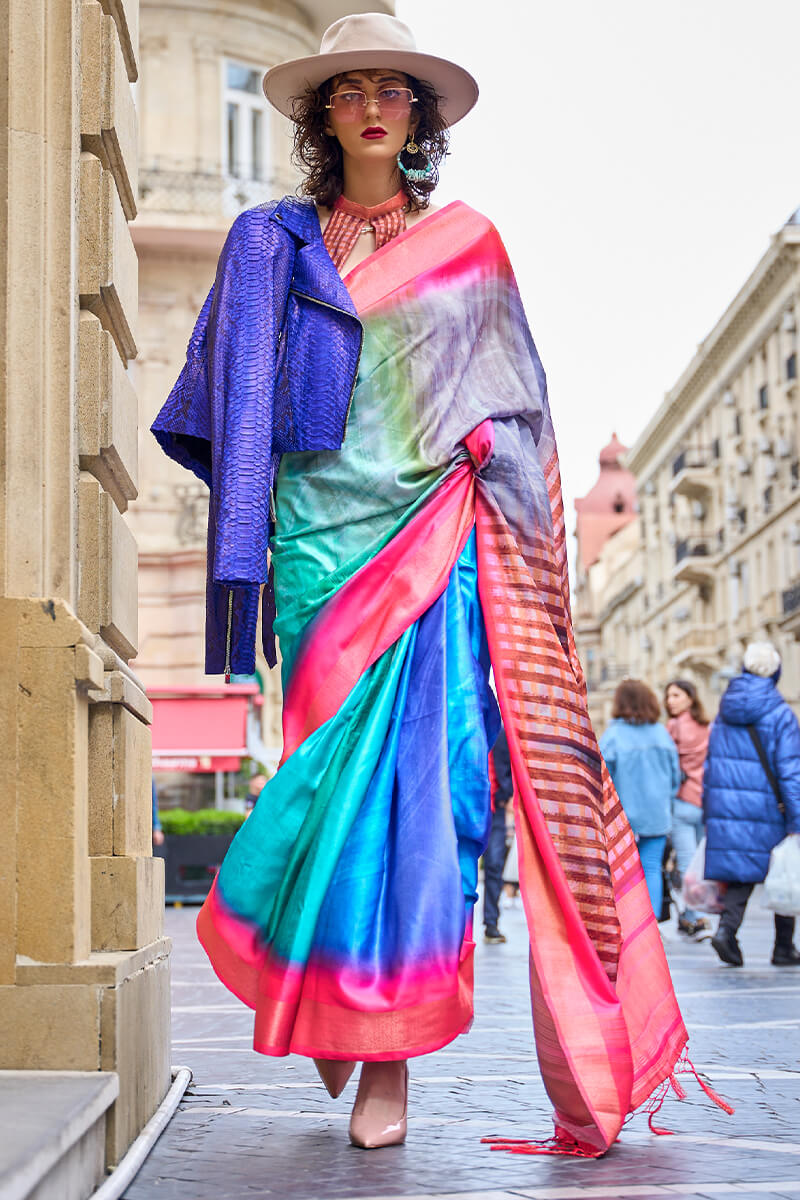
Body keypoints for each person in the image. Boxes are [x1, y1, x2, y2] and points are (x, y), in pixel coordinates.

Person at [151, 13, 690, 1156]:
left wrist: (484, 448)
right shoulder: (271, 243)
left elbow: (514, 398)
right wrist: (243, 548)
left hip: (435, 542)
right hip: (318, 555)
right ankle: (333, 997)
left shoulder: (467, 244)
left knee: (422, 808)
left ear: (419, 114)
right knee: (315, 797)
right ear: (321, 114)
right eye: (347, 89)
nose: (372, 104)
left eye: (394, 89)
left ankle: (386, 1052)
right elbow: (223, 403)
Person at [704, 642, 800, 968]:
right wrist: (797, 817)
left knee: (742, 875)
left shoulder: (724, 711)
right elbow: (790, 770)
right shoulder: (780, 713)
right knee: (783, 870)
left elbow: (712, 763)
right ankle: (784, 948)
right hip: (769, 807)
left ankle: (726, 932)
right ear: (776, 671)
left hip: (728, 803)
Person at [600, 680, 681, 919]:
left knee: (620, 871)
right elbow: (675, 777)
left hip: (622, 817)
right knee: (652, 867)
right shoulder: (661, 734)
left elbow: (602, 777)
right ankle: (650, 926)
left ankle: (625, 922)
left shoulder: (613, 736)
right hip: (656, 814)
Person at [664, 679, 711, 939]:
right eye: (669, 696)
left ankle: (693, 917)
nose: (671, 700)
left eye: (676, 695)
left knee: (686, 863)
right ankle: (696, 913)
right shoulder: (707, 727)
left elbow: (669, 767)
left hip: (682, 802)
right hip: (704, 802)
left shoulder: (673, 727)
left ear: (690, 698)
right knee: (700, 865)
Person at [483, 729, 511, 944]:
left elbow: (508, 766)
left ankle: (491, 923)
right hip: (471, 804)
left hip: (495, 808)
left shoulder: (500, 733)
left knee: (494, 864)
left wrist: (505, 793)